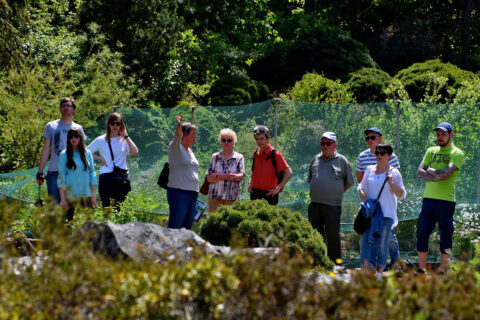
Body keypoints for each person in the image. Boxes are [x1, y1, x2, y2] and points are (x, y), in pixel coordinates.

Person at [416, 122, 464, 274]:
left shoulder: (457, 153)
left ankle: (443, 268)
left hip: (446, 201)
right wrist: (436, 176)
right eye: (437, 134)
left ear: (451, 134)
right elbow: (419, 172)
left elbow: (446, 173)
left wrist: (430, 171)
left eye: (443, 134)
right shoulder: (431, 151)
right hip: (428, 200)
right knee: (422, 234)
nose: (440, 137)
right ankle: (421, 269)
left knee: (446, 236)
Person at [358, 144, 406, 280]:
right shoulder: (369, 169)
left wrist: (391, 182)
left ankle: (380, 272)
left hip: (387, 214)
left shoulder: (394, 173)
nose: (379, 155)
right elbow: (361, 186)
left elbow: (401, 194)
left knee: (382, 241)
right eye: (377, 152)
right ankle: (368, 268)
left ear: (389, 156)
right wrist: (361, 192)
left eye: (382, 153)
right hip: (371, 213)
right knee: (366, 240)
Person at [308, 132, 354, 263]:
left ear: (335, 145)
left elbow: (349, 182)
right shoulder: (315, 159)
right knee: (315, 235)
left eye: (328, 143)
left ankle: (335, 264)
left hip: (333, 206)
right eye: (322, 143)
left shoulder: (342, 160)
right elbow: (311, 179)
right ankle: (317, 261)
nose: (325, 146)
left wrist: (336, 192)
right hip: (315, 204)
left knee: (333, 236)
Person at [37, 98, 86, 203]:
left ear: (74, 110)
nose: (66, 107)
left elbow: (83, 151)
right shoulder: (51, 126)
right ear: (60, 108)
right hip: (54, 172)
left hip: (73, 172)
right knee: (53, 207)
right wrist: (40, 172)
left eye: (68, 105)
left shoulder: (78, 128)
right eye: (63, 105)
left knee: (70, 207)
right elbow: (46, 149)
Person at [87, 113, 139, 210]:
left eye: (118, 123)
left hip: (121, 177)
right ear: (108, 124)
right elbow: (85, 152)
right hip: (106, 176)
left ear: (121, 125)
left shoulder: (124, 139)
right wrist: (100, 158)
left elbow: (135, 152)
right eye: (112, 123)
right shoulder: (101, 140)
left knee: (118, 209)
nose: (115, 126)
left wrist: (126, 136)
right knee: (107, 209)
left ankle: (118, 225)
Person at [58, 128, 97, 221]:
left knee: (89, 226)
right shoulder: (64, 154)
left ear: (80, 138)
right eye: (71, 136)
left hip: (86, 195)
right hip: (69, 196)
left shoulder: (87, 153)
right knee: (67, 226)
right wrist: (62, 199)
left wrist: (94, 196)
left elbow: (92, 173)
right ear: (68, 139)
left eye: (76, 136)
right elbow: (61, 176)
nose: (73, 139)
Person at [167, 115, 199, 229]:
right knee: (175, 227)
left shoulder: (190, 151)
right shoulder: (175, 147)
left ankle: (183, 248)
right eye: (193, 133)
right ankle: (168, 247)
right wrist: (179, 125)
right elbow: (177, 137)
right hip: (179, 193)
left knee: (186, 229)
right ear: (184, 134)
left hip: (192, 194)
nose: (195, 136)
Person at [248, 125, 293, 205]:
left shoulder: (275, 154)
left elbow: (289, 172)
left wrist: (278, 188)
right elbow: (253, 170)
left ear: (268, 138)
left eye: (262, 138)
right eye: (257, 139)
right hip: (254, 193)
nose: (259, 141)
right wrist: (250, 182)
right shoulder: (255, 154)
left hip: (269, 194)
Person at [205, 128, 245, 212]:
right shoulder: (214, 156)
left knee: (232, 223)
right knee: (214, 223)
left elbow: (241, 176)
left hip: (232, 197)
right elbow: (208, 178)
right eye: (223, 140)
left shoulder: (239, 157)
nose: (226, 142)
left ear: (234, 142)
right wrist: (228, 176)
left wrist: (220, 176)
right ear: (220, 141)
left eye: (229, 140)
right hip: (214, 196)